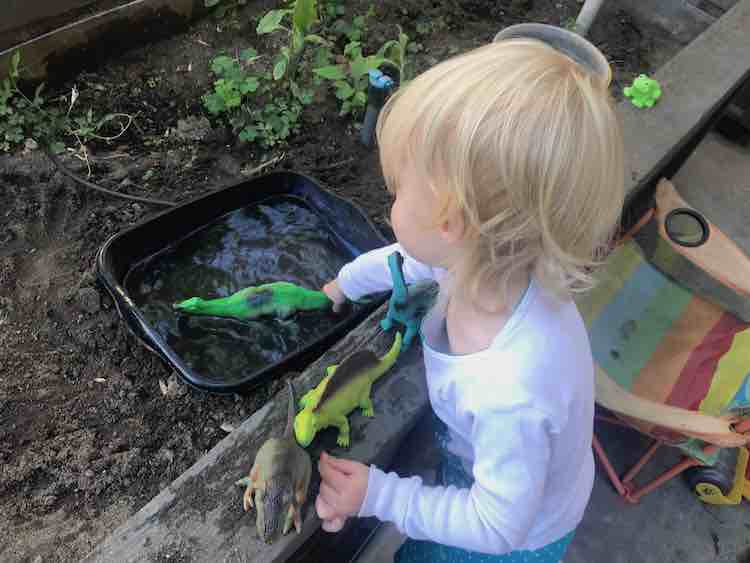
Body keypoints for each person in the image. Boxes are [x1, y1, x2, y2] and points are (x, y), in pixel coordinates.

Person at [314, 36, 624, 563]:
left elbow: (494, 525)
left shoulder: (510, 388)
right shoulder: (489, 261)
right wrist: (343, 285)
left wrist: (380, 495)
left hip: (512, 541)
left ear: (449, 222)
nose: (390, 198)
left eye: (395, 190)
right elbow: (411, 260)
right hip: (501, 476)